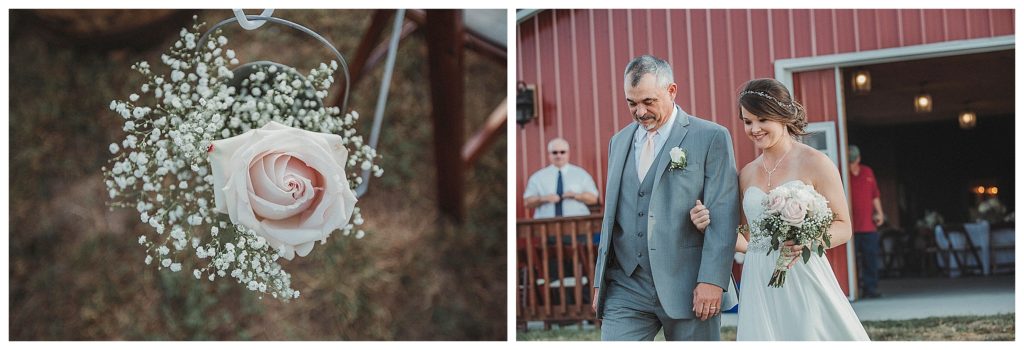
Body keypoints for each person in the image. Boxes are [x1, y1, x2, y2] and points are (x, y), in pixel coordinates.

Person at [689, 78, 869, 340]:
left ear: (782, 115)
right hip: (757, 278)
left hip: (802, 273)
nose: (754, 129)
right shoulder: (746, 174)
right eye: (748, 121)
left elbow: (844, 226)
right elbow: (745, 239)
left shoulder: (816, 162)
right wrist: (709, 226)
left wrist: (808, 241)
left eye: (762, 120)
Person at [591, 54, 739, 341]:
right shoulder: (618, 142)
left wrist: (712, 279)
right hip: (626, 284)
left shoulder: (711, 137)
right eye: (631, 103)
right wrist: (600, 279)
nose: (640, 112)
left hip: (689, 283)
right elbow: (612, 217)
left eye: (649, 101)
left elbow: (724, 213)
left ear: (671, 91)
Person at [523, 137, 599, 218]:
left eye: (562, 152)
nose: (559, 155)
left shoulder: (581, 174)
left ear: (568, 153)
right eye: (555, 152)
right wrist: (544, 198)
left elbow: (593, 198)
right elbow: (527, 202)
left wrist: (575, 195)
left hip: (578, 225)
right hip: (545, 226)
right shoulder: (537, 177)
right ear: (549, 154)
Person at [848, 144, 885, 298]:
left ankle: (871, 289)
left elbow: (874, 195)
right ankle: (854, 289)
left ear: (859, 158)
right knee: (852, 261)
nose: (853, 161)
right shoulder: (841, 172)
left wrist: (880, 213)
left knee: (870, 259)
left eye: (854, 158)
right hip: (850, 227)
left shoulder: (867, 172)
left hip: (868, 226)